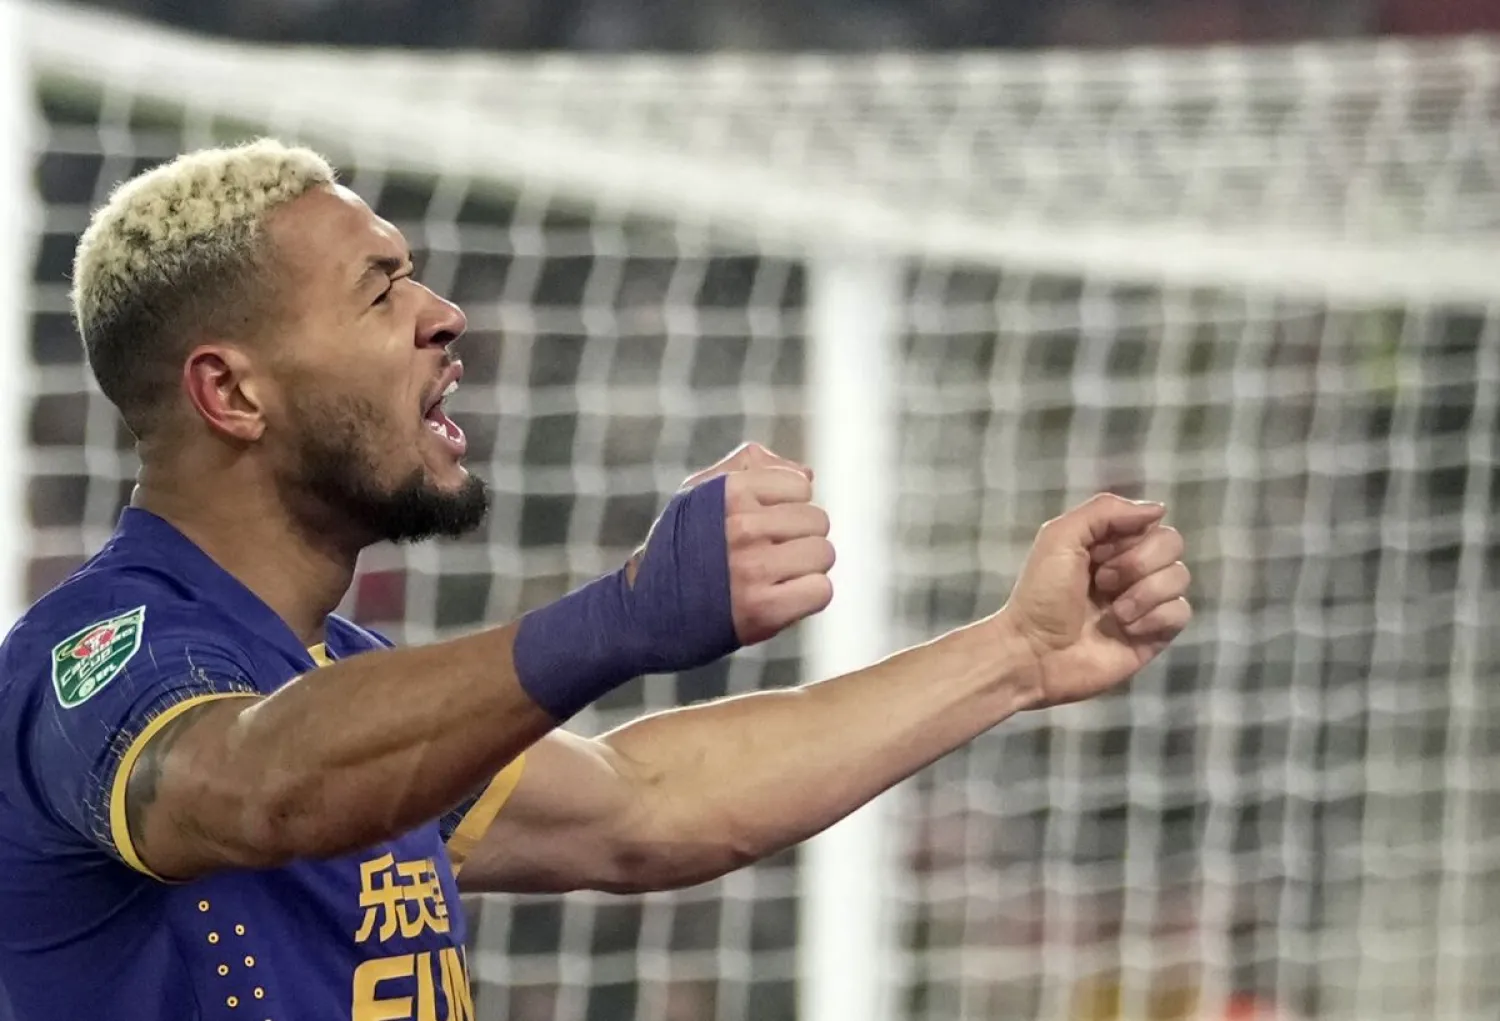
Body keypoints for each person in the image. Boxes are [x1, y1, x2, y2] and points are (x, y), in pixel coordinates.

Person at [0, 139, 1192, 1021]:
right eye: (381, 289)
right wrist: (617, 619)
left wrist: (1015, 653)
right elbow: (255, 783)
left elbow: (644, 804)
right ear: (232, 392)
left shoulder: (340, 686)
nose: (443, 315)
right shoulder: (94, 660)